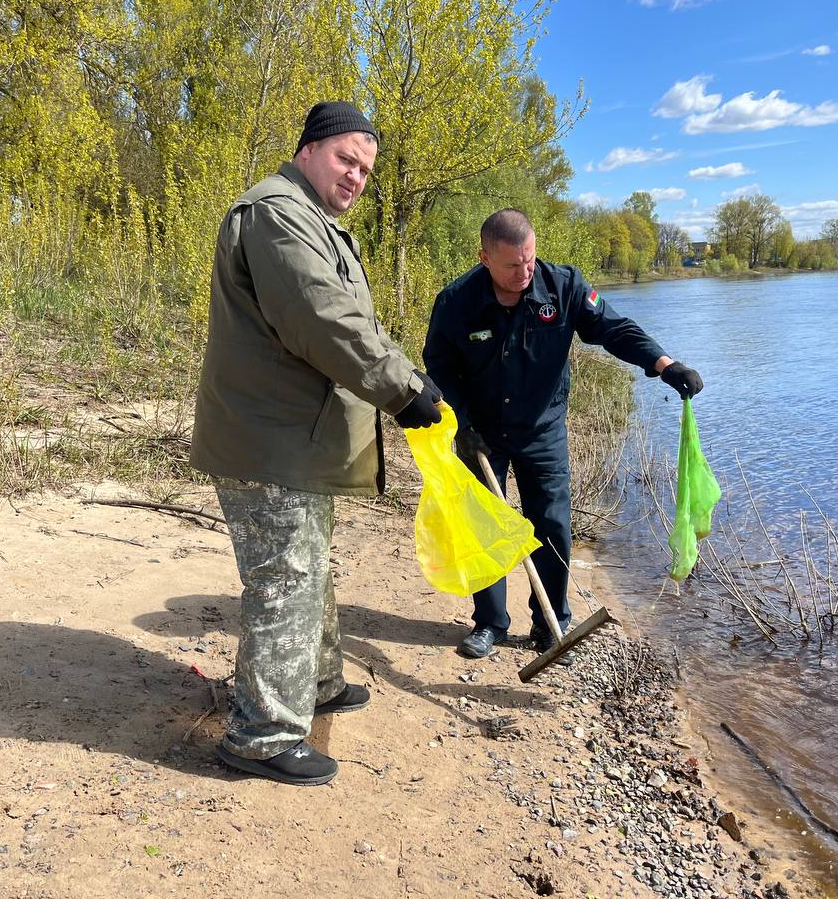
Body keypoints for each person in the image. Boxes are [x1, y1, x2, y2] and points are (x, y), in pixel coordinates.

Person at [190, 101, 442, 786]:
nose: (356, 176)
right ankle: (262, 736)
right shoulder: (277, 214)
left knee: (311, 568)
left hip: (297, 441)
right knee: (285, 580)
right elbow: (322, 319)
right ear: (308, 150)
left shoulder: (314, 220)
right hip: (269, 443)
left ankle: (318, 683)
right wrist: (400, 390)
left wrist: (413, 377)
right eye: (345, 159)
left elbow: (354, 319)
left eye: (365, 169)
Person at [422, 208, 702, 660]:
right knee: (483, 525)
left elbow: (614, 329)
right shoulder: (456, 301)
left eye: (529, 260)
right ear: (485, 258)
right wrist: (463, 424)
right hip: (480, 432)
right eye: (512, 265)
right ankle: (490, 622)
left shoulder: (563, 286)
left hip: (543, 430)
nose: (524, 272)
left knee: (552, 524)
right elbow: (438, 365)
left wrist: (664, 365)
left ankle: (551, 624)